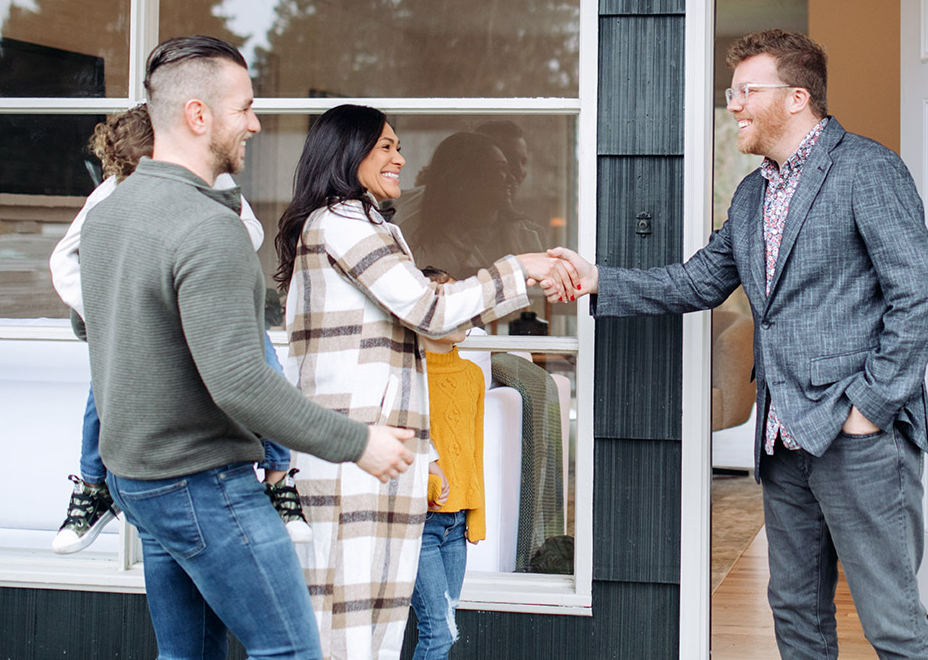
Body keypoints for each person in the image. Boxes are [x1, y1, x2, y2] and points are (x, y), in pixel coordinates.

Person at [551, 29, 928, 660]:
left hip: (859, 442)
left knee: (892, 625)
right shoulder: (751, 194)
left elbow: (921, 291)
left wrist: (868, 409)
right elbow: (697, 281)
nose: (732, 103)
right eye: (730, 91)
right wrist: (597, 278)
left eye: (745, 91)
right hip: (782, 441)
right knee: (794, 614)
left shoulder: (867, 168)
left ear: (797, 97)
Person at [77, 36, 416, 660]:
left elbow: (94, 328)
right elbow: (240, 383)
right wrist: (359, 442)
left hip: (137, 482)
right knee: (291, 652)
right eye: (245, 108)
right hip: (202, 483)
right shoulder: (210, 228)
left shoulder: (108, 215)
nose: (256, 124)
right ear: (197, 115)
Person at [274, 104, 573, 660]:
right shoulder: (342, 223)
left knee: (358, 617)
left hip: (363, 450)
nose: (400, 158)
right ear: (348, 151)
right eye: (385, 147)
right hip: (350, 453)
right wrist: (522, 266)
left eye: (398, 145)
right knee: (348, 623)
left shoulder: (354, 223)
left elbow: (430, 322)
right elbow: (429, 308)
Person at [49, 104, 311, 553]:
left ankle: (278, 477)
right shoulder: (111, 195)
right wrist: (105, 310)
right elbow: (64, 259)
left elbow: (250, 231)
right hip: (142, 320)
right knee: (102, 388)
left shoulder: (212, 183)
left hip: (206, 307)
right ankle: (93, 486)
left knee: (264, 365)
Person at [411, 267, 485, 660]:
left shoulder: (472, 375)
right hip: (419, 523)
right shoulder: (405, 372)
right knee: (438, 631)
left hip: (455, 526)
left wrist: (477, 515)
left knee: (447, 630)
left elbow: (475, 452)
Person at [398, 131, 542, 281]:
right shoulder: (424, 243)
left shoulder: (526, 236)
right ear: (465, 178)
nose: (512, 178)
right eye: (500, 169)